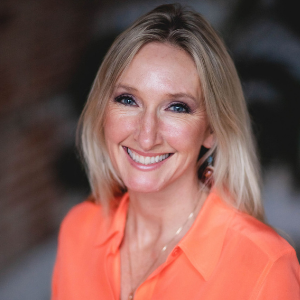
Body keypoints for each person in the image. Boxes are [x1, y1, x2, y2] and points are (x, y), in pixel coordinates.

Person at [51, 4, 300, 300]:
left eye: (177, 107)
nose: (146, 136)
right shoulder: (79, 229)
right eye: (128, 100)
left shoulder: (265, 265)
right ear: (103, 112)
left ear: (212, 130)